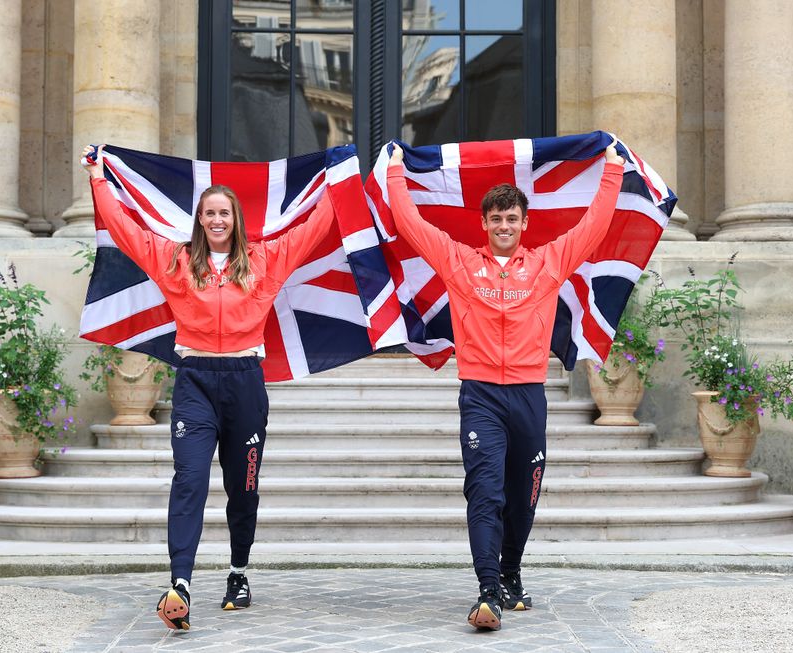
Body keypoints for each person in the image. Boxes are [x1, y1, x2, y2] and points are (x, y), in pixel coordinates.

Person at [82, 144, 336, 630]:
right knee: (190, 480)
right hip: (196, 381)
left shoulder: (267, 259)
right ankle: (180, 583)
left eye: (224, 213)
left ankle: (238, 572)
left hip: (245, 383)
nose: (217, 220)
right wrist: (97, 177)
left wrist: (340, 178)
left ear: (235, 219)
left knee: (243, 487)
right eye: (209, 213)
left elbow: (316, 226)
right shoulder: (175, 260)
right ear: (199, 221)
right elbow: (125, 228)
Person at [386, 139, 625, 630]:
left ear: (523, 223)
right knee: (485, 491)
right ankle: (487, 589)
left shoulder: (548, 263)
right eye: (495, 219)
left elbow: (594, 225)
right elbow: (411, 224)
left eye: (511, 219)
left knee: (524, 493)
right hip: (480, 394)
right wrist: (394, 171)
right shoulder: (457, 261)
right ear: (484, 224)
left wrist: (614, 169)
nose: (503, 227)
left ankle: (511, 569)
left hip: (528, 395)